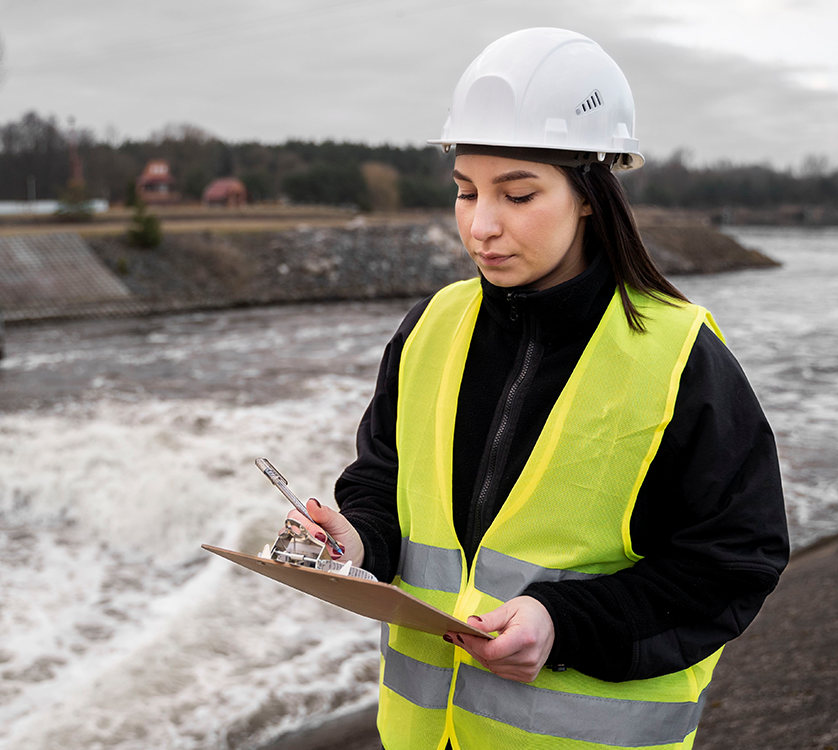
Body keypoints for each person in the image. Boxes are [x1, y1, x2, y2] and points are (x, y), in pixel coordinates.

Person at [289, 28, 789, 750]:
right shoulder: (429, 329)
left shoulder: (681, 359)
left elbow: (732, 564)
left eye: (518, 194)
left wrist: (563, 622)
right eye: (465, 192)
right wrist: (359, 541)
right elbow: (383, 479)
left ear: (589, 195)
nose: (481, 226)